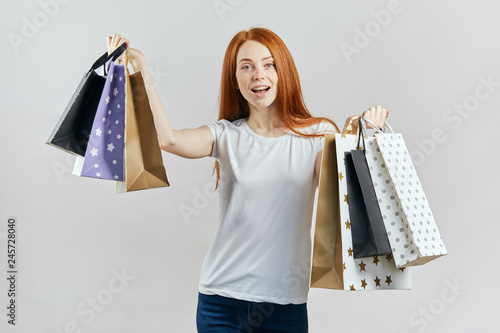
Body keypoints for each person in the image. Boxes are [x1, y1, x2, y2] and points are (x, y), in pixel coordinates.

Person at [107, 27, 388, 333]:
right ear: (235, 80)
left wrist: (355, 138)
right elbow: (168, 140)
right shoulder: (226, 136)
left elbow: (338, 192)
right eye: (247, 67)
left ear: (285, 72)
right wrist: (142, 70)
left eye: (269, 65)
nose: (258, 75)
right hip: (220, 301)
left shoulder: (317, 135)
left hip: (285, 304)